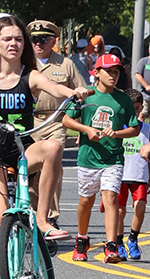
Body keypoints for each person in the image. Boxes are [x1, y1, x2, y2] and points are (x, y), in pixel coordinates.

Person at [0, 16, 88, 279]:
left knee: (51, 147)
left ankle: (42, 219)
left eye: (18, 39)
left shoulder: (30, 75)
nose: (14, 43)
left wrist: (74, 91)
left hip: (21, 151)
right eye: (7, 38)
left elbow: (54, 87)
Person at [62, 54, 140, 264]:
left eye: (116, 72)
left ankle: (111, 245)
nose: (113, 76)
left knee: (111, 198)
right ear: (96, 73)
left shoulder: (123, 99)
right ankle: (82, 239)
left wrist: (117, 134)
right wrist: (87, 129)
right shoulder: (87, 95)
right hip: (88, 158)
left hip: (113, 158)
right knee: (86, 201)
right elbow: (66, 119)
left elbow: (134, 128)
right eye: (109, 71)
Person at [26, 17, 87, 231]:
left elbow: (82, 90)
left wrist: (78, 97)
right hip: (29, 122)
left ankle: (50, 215)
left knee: (53, 166)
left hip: (55, 120)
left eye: (43, 39)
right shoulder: (24, 64)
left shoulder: (66, 64)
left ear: (54, 41)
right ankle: (32, 211)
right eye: (34, 39)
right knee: (29, 169)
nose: (38, 44)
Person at [119, 92, 149, 260]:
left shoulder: (147, 130)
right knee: (119, 210)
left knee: (140, 206)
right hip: (120, 174)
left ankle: (132, 238)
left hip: (139, 175)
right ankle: (118, 242)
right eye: (131, 109)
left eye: (137, 109)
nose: (135, 113)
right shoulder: (118, 128)